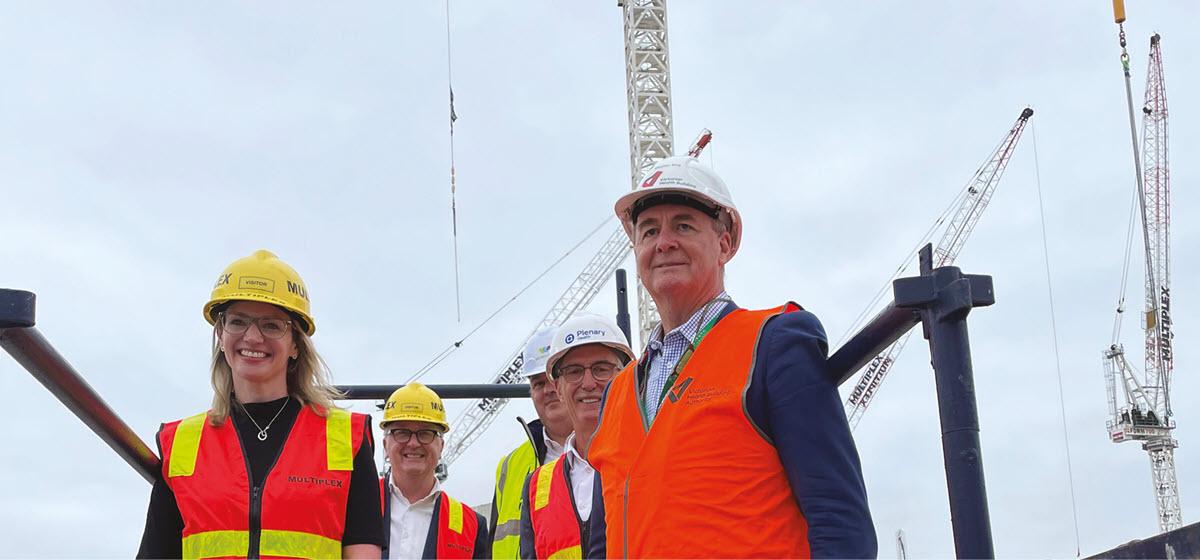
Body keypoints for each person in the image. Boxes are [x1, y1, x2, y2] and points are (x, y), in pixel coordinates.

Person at [587, 157, 878, 558]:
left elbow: (838, 516)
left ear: (725, 244)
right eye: (649, 230)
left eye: (683, 225)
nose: (664, 242)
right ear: (636, 248)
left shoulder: (773, 343)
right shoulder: (617, 394)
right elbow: (603, 543)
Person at [137, 249, 384, 559]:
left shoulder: (346, 439)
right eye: (238, 322)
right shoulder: (182, 444)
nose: (252, 337)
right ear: (220, 334)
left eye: (271, 325)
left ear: (296, 344)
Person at [518, 314, 633, 559]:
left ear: (627, 377)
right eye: (574, 372)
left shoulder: (652, 459)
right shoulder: (537, 486)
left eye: (602, 369)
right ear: (557, 387)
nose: (589, 383)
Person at [488, 328, 574, 558]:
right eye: (537, 383)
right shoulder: (510, 466)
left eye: (553, 379)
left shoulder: (608, 449)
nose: (548, 390)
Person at [380, 382, 489, 559]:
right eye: (401, 432)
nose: (413, 443)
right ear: (385, 445)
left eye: (425, 433)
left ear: (441, 446)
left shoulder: (472, 526)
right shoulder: (355, 507)